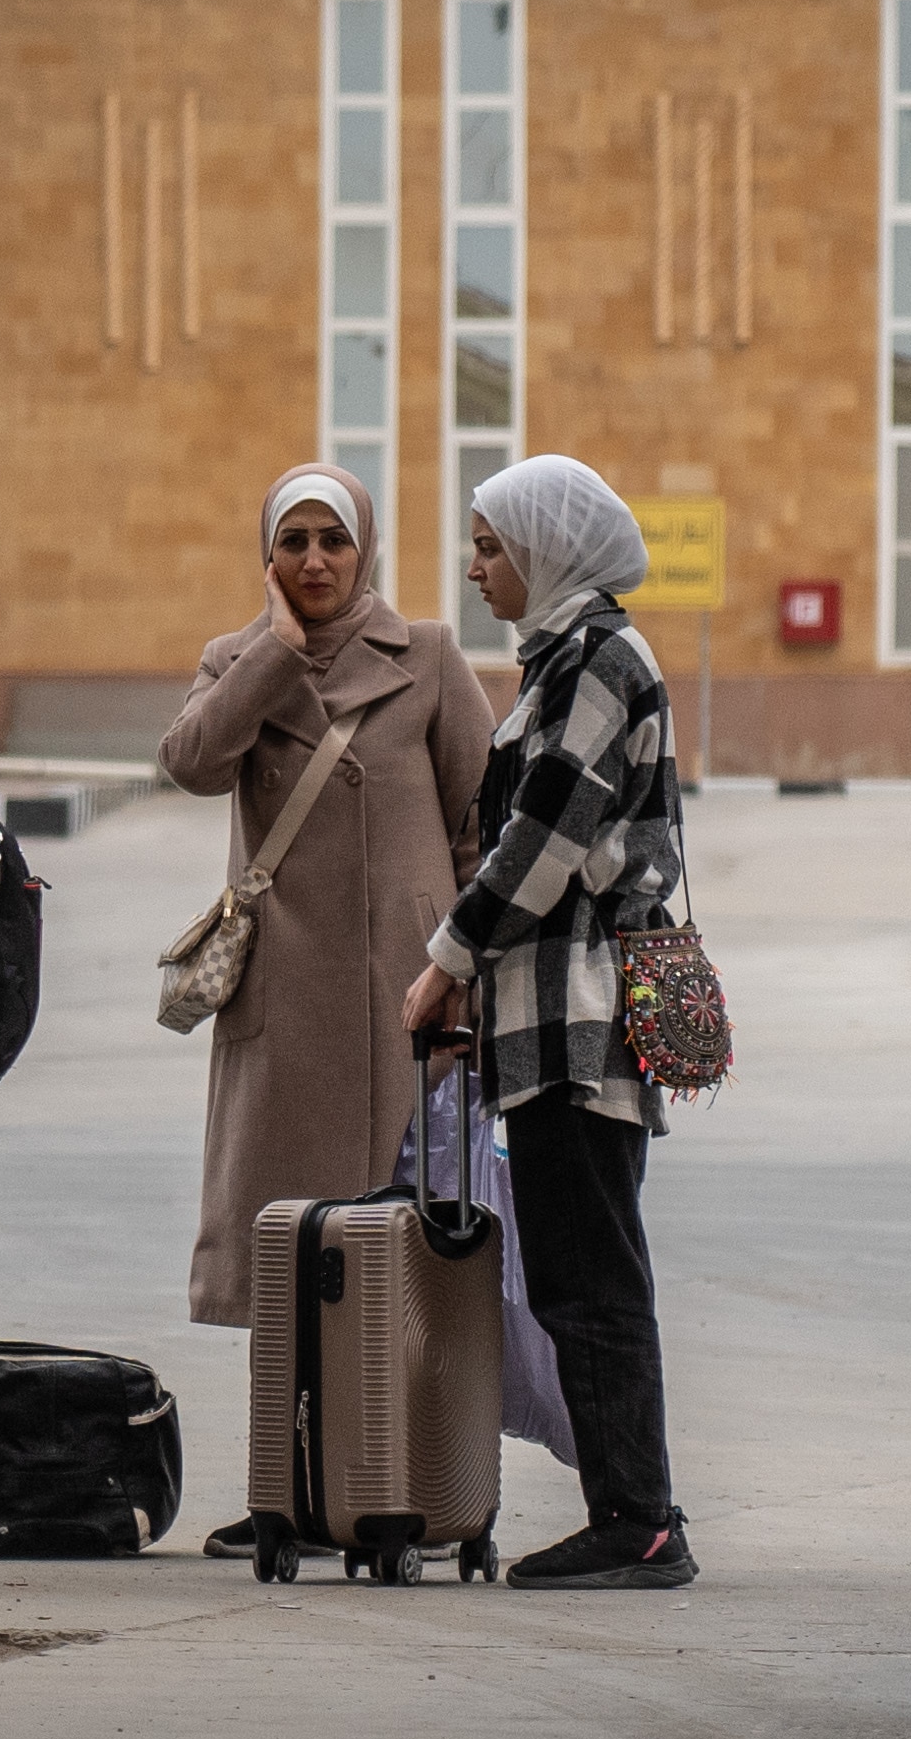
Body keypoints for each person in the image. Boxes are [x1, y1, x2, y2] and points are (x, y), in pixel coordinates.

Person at [158, 465, 494, 1557]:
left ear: (366, 550)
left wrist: (462, 962)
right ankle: (286, 1493)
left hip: (409, 993)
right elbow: (190, 763)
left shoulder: (427, 655)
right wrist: (273, 648)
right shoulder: (236, 660)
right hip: (285, 998)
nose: (314, 560)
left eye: (332, 541)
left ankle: (396, 1482)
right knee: (285, 1249)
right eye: (293, 540)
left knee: (396, 1255)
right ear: (267, 555)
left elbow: (477, 821)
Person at [400, 455, 696, 1591]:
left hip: (581, 1018)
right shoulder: (559, 659)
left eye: (492, 546)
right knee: (579, 1272)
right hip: (546, 1017)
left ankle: (639, 1523)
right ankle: (632, 1512)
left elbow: (543, 840)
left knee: (593, 1275)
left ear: (548, 550)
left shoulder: (601, 660)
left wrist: (447, 961)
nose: (476, 567)